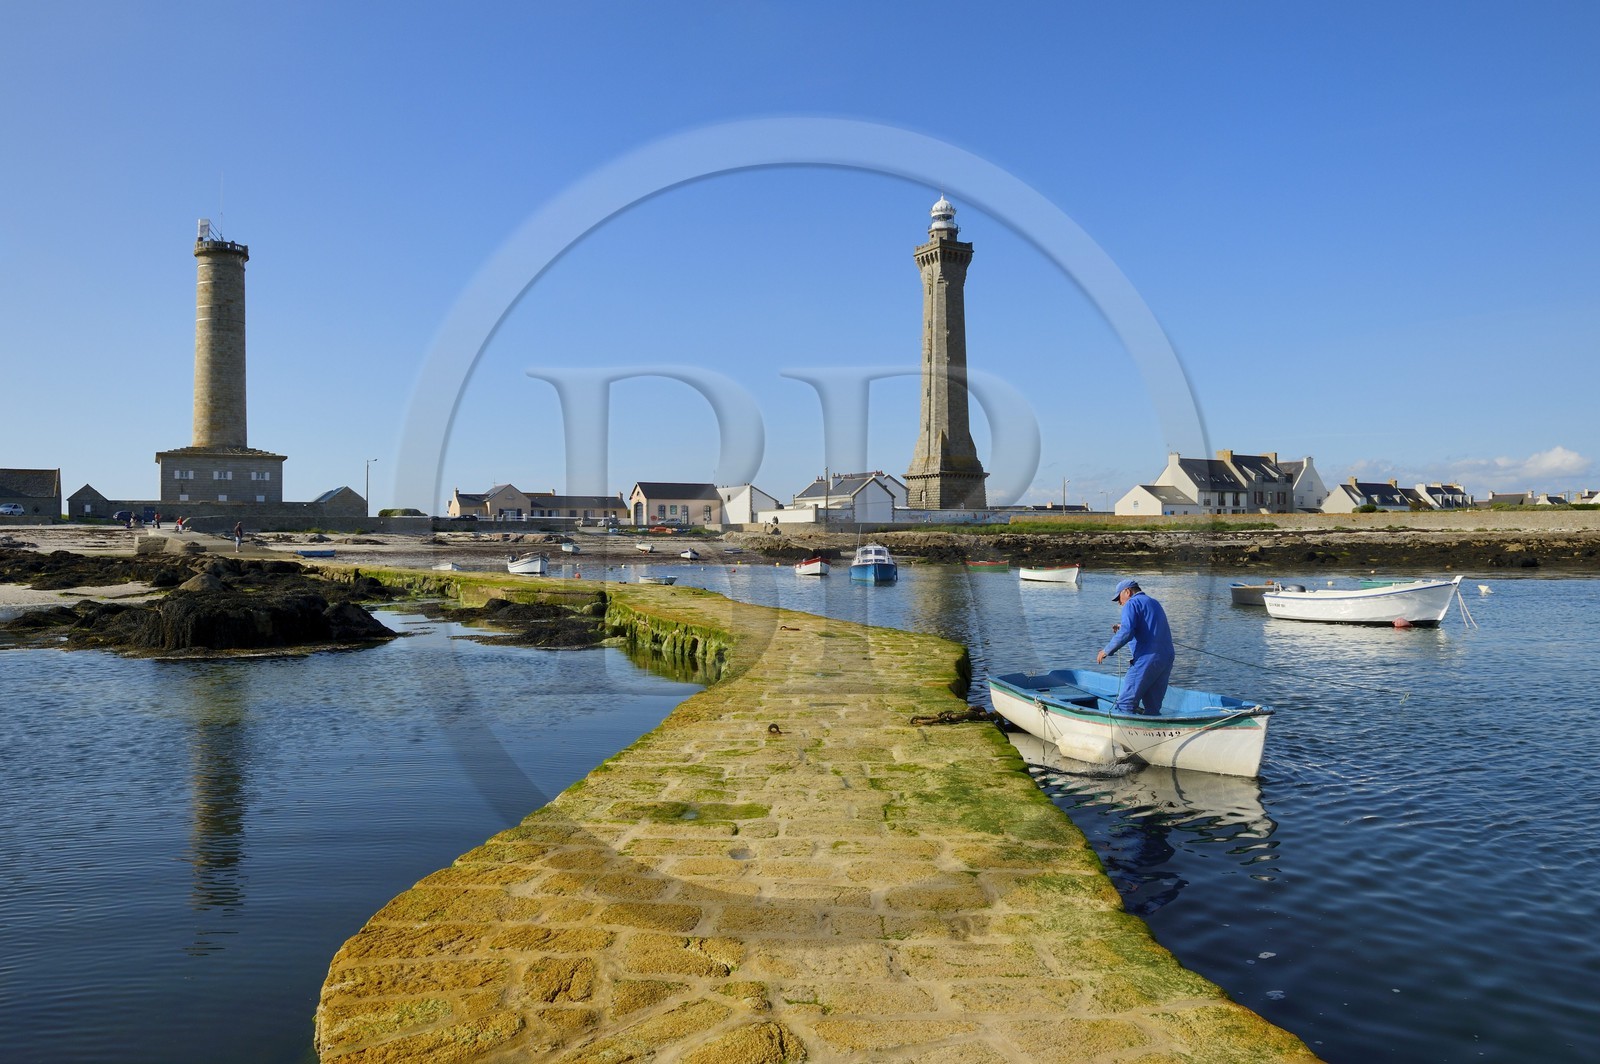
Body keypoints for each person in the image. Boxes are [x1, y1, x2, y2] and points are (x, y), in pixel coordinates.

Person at [1097, 578, 1175, 716]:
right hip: (1166, 657)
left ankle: (1122, 732)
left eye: (1119, 599)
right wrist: (1122, 628)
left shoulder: (1132, 603)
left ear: (1127, 591)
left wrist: (1107, 650)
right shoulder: (1154, 602)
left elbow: (1127, 632)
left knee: (1125, 703)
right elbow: (1146, 626)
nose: (1120, 603)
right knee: (1153, 706)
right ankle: (1152, 732)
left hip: (1147, 658)